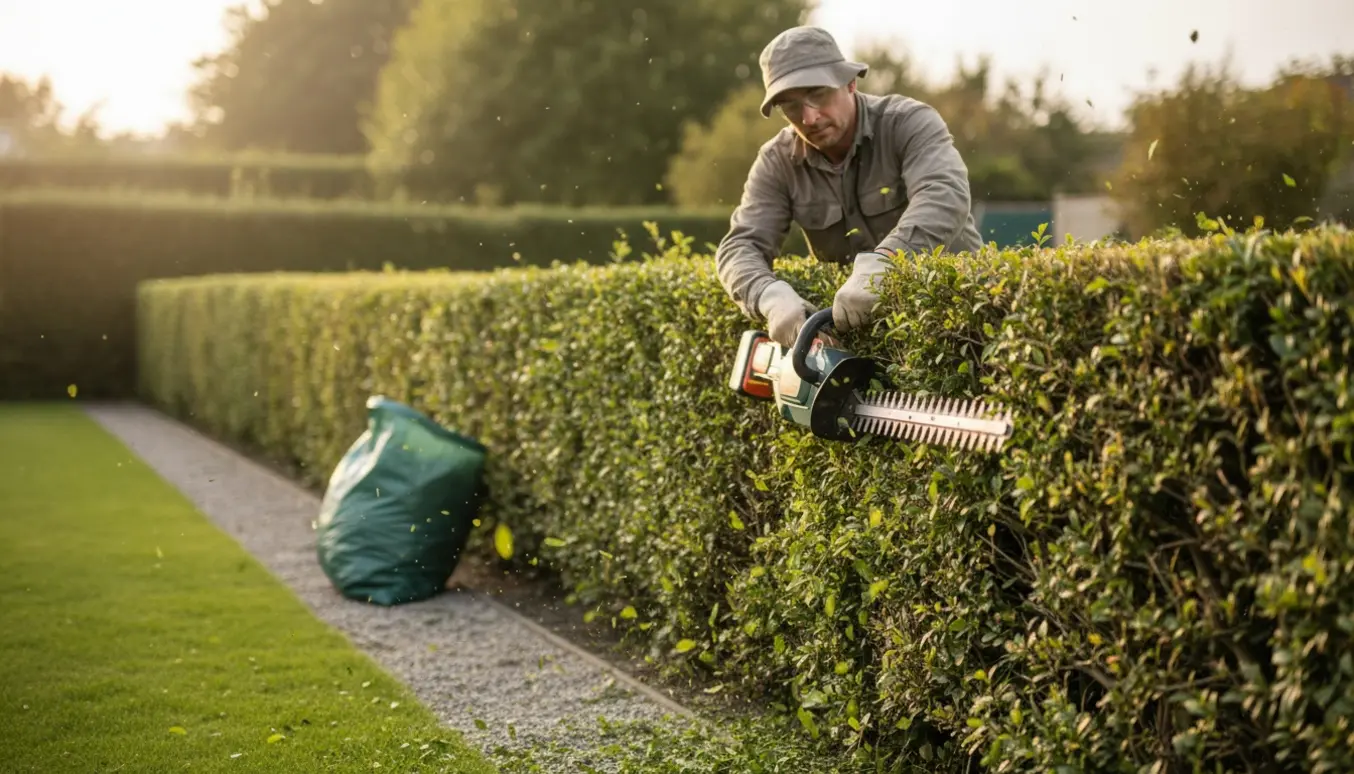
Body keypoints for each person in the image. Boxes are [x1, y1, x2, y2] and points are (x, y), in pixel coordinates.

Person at [714, 26, 984, 347]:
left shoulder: (908, 123)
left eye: (817, 94)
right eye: (791, 106)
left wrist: (887, 262)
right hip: (857, 345)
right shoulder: (777, 161)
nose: (809, 118)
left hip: (955, 323)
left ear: (850, 83)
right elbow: (739, 247)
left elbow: (945, 194)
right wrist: (768, 296)